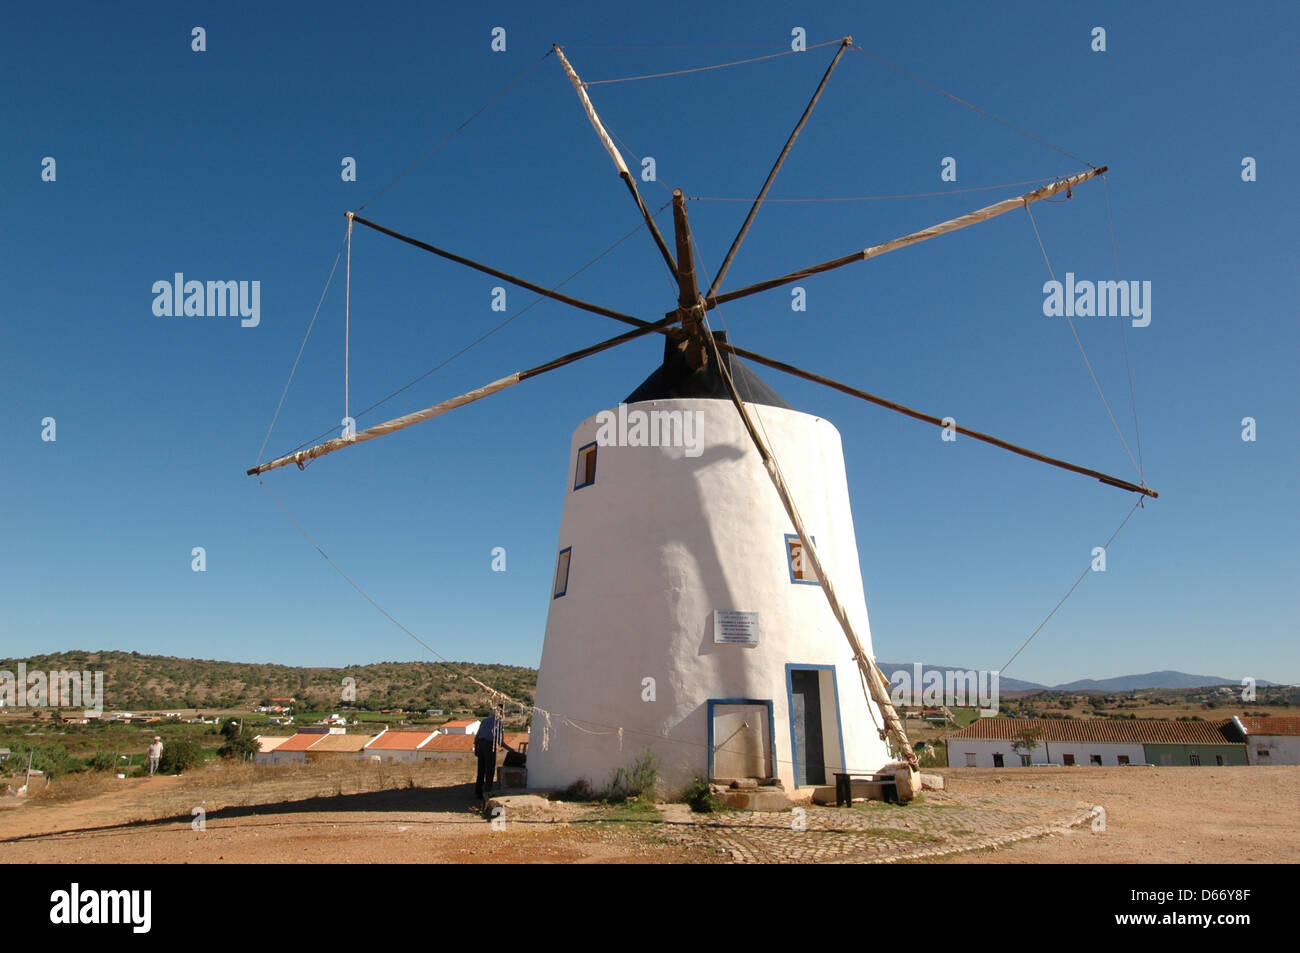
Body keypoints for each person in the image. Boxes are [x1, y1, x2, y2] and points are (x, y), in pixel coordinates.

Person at [473, 705, 504, 801]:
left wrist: (477, 748)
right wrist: (511, 750)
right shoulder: (498, 723)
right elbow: (500, 741)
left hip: (480, 745)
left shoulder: (485, 721)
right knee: (490, 769)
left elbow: (477, 736)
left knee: (481, 769)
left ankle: (478, 791)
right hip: (490, 745)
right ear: (501, 712)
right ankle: (487, 792)